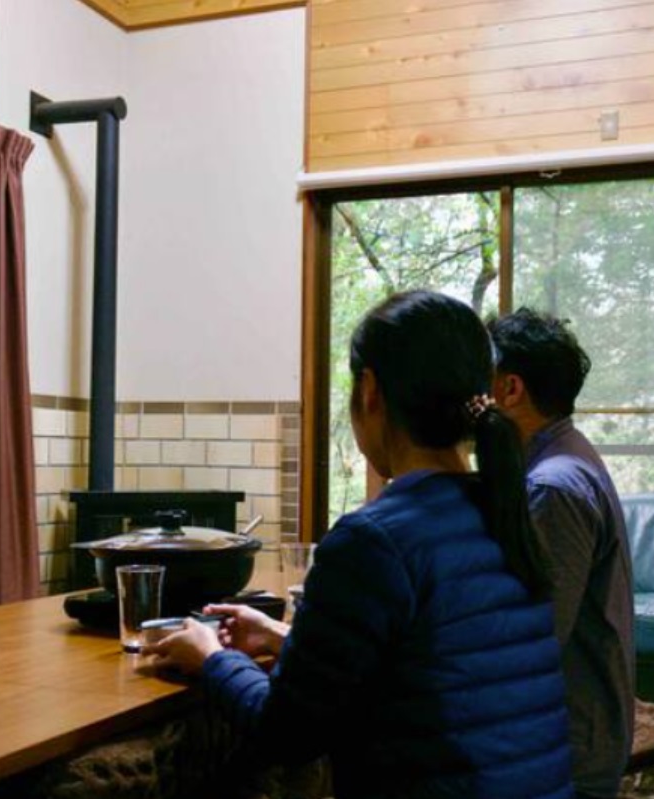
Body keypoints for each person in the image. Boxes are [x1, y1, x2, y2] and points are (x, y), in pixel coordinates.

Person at [148, 290, 574, 799]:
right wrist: (281, 636)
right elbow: (432, 674)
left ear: (369, 391)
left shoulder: (373, 540)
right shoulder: (503, 512)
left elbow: (287, 734)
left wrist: (211, 659)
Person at [489, 309, 635, 799]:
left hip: (571, 753)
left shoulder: (552, 487)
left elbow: (535, 642)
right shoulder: (565, 453)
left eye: (480, 380)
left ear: (510, 388)